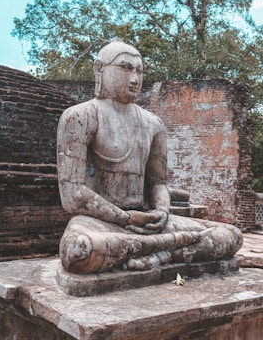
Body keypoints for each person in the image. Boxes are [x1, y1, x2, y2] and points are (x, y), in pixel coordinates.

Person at [57, 39, 242, 274]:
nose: (134, 79)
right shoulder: (80, 117)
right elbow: (73, 194)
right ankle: (167, 249)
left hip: (148, 223)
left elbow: (158, 184)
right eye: (125, 68)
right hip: (101, 222)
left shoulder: (153, 123)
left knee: (230, 236)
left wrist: (162, 211)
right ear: (99, 69)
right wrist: (124, 218)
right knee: (78, 250)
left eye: (139, 70)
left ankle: (161, 254)